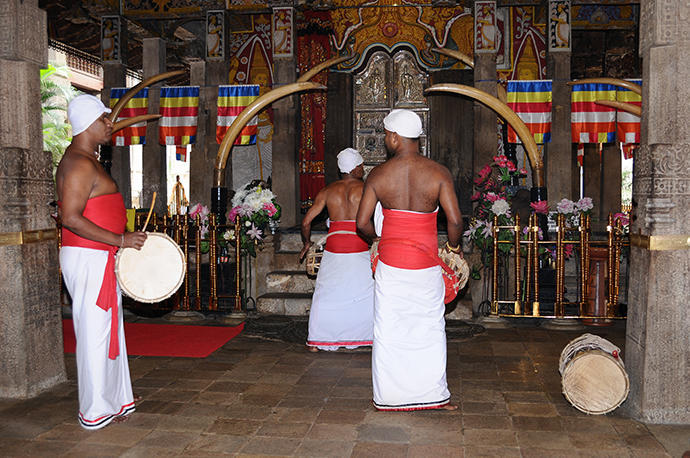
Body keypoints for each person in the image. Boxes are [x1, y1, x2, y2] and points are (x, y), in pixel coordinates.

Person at [356, 109, 463, 411]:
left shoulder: (379, 175)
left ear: (393, 137)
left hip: (391, 265)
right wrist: (453, 250)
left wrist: (377, 240)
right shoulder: (439, 173)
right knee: (429, 328)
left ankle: (389, 397)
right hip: (426, 266)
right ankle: (432, 394)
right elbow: (454, 222)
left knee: (389, 331)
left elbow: (362, 223)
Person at [56, 94, 147, 430]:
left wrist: (118, 243)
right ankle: (95, 409)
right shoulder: (79, 163)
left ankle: (113, 399)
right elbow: (71, 218)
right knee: (95, 332)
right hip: (89, 255)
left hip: (99, 254)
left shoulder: (85, 159)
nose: (110, 124)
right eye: (104, 119)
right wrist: (121, 240)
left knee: (107, 330)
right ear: (86, 124)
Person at [299, 148, 375, 352]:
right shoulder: (366, 189)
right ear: (357, 168)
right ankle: (366, 336)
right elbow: (373, 220)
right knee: (364, 293)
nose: (363, 169)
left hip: (334, 248)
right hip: (359, 245)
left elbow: (306, 222)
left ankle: (317, 341)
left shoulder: (328, 191)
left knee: (327, 294)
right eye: (361, 166)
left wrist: (307, 243)